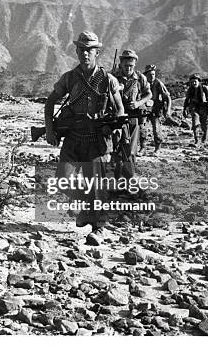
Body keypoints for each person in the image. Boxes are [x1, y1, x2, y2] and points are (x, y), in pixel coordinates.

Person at [45, 31, 124, 245]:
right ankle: (87, 207)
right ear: (76, 51)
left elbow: (120, 111)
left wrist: (111, 127)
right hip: (73, 138)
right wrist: (50, 130)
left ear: (97, 52)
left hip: (97, 142)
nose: (85, 54)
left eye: (90, 50)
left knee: (97, 185)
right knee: (62, 181)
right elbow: (50, 101)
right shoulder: (70, 78)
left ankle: (99, 229)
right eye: (81, 49)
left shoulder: (108, 80)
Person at [112, 50, 152, 175]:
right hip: (116, 118)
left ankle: (129, 177)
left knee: (131, 149)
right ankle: (115, 177)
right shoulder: (113, 77)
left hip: (133, 117)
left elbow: (149, 94)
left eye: (131, 66)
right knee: (116, 147)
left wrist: (138, 103)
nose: (128, 68)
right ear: (121, 64)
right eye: (126, 65)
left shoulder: (140, 78)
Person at [140, 64, 172, 152]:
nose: (152, 76)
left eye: (153, 74)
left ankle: (157, 148)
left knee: (156, 128)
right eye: (150, 75)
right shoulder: (142, 83)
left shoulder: (158, 83)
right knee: (142, 128)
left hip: (155, 109)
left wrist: (168, 110)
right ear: (145, 75)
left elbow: (167, 97)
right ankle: (142, 147)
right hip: (144, 108)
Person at [183, 73, 208, 145]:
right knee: (194, 124)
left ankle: (204, 139)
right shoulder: (190, 90)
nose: (194, 83)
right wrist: (184, 109)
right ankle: (196, 139)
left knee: (204, 126)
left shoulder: (204, 88)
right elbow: (187, 100)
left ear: (198, 81)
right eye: (192, 82)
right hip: (195, 108)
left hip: (204, 108)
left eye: (195, 81)